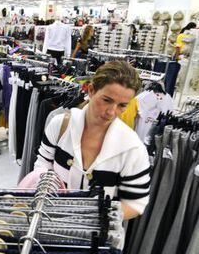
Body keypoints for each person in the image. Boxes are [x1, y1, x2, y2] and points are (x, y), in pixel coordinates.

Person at [20, 61, 150, 220]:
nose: (111, 112)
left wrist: (90, 217)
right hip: (49, 222)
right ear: (91, 90)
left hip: (95, 236)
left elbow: (135, 203)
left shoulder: (132, 149)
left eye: (122, 105)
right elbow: (43, 165)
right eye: (107, 100)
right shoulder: (60, 125)